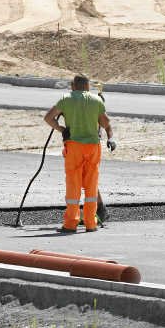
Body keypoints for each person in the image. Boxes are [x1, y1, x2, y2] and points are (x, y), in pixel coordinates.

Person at [43, 75, 115, 233]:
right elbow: (107, 124)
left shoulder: (66, 99)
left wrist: (62, 129)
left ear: (73, 86)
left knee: (73, 185)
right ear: (88, 86)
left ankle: (71, 223)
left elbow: (48, 118)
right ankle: (91, 223)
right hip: (93, 147)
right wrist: (111, 139)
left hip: (74, 147)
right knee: (91, 185)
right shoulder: (96, 101)